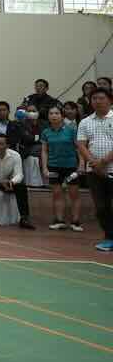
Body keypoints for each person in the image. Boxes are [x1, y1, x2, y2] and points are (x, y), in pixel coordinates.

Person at [74, 86, 113, 252]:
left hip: (110, 168)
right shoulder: (85, 121)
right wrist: (93, 163)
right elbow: (81, 145)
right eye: (94, 98)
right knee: (101, 207)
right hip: (94, 172)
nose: (97, 101)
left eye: (101, 98)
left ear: (110, 100)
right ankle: (109, 237)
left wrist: (104, 161)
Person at [37, 105, 82, 231]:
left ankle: (76, 221)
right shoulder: (46, 132)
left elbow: (79, 148)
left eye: (57, 113)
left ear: (62, 116)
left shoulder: (71, 130)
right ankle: (59, 220)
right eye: (51, 113)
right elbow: (44, 151)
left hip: (70, 166)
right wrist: (45, 168)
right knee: (57, 194)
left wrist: (81, 165)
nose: (54, 116)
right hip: (54, 166)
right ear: (48, 116)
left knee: (74, 194)